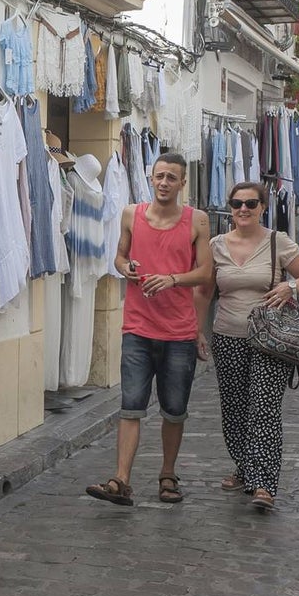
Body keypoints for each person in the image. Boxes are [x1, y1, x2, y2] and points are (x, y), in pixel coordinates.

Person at [86, 153, 212, 506]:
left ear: (182, 183)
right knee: (131, 406)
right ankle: (121, 480)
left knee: (174, 409)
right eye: (159, 176)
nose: (164, 183)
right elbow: (120, 256)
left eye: (172, 177)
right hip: (138, 327)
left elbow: (205, 273)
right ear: (150, 177)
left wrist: (172, 279)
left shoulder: (196, 221)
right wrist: (127, 268)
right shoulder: (131, 214)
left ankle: (167, 475)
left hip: (178, 332)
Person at [194, 181, 299, 511]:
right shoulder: (216, 245)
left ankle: (263, 484)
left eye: (251, 203)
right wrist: (197, 330)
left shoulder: (278, 242)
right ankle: (245, 465)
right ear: (230, 208)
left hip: (270, 341)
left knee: (263, 408)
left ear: (263, 207)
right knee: (234, 409)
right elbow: (205, 292)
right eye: (237, 204)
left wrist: (290, 287)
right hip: (227, 337)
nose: (243, 209)